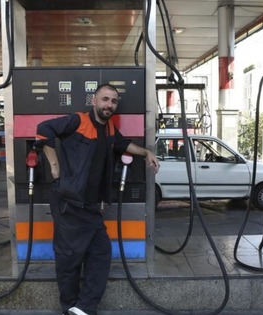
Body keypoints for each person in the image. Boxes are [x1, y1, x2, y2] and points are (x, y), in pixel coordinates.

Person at [36, 83, 159, 315]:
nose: (109, 105)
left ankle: (83, 307)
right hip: (69, 203)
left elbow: (124, 145)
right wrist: (54, 165)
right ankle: (69, 306)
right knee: (69, 257)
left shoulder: (110, 129)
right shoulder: (77, 121)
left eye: (113, 101)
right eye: (104, 99)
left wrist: (146, 152)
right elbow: (43, 129)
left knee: (101, 252)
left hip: (90, 206)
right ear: (94, 101)